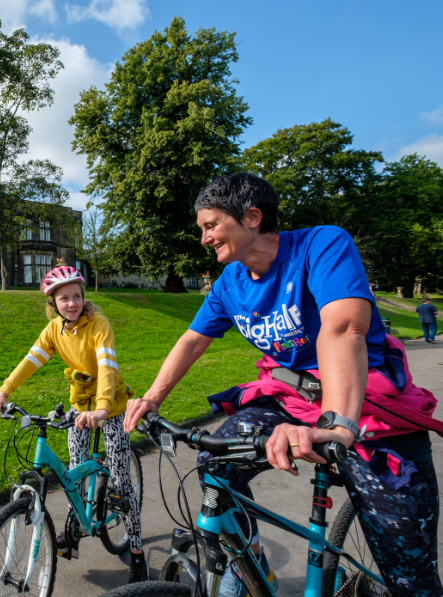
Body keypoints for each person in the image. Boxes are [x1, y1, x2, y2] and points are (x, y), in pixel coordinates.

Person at [124, 172, 443, 597]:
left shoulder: (321, 245)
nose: (203, 238)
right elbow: (192, 341)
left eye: (210, 225)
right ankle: (250, 567)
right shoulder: (229, 285)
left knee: (410, 573)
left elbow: (344, 328)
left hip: (362, 406)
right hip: (290, 398)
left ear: (252, 217)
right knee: (215, 465)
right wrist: (151, 398)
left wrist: (337, 426)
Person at [0, 261, 147, 583]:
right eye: (64, 299)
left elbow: (106, 368)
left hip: (111, 406)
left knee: (121, 482)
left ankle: (137, 552)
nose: (72, 303)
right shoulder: (54, 330)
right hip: (80, 404)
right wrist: (4, 390)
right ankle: (75, 531)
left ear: (83, 297)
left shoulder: (99, 324)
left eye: (76, 296)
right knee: (73, 471)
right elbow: (31, 361)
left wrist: (102, 410)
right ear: (53, 304)